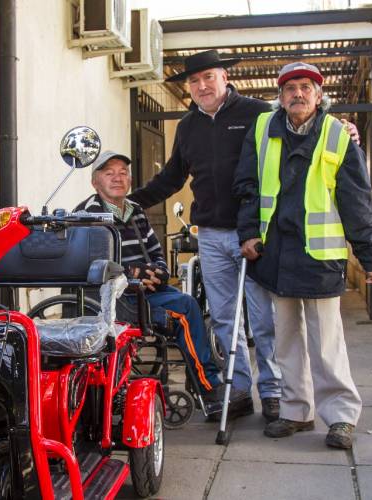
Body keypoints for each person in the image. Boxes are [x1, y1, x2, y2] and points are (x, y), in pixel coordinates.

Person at [234, 62, 372, 449]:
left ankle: (340, 417)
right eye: (289, 89)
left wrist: (370, 255)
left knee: (326, 343)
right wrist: (249, 232)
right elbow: (248, 185)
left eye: (305, 87)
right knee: (286, 340)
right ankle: (296, 411)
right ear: (280, 97)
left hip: (319, 255)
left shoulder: (337, 134)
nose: (297, 94)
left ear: (319, 95)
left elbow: (356, 199)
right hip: (276, 253)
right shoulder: (264, 128)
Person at [128, 50, 281, 422]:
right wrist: (130, 201)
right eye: (194, 81)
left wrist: (346, 131)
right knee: (226, 319)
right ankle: (239, 390)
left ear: (224, 78)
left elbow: (297, 133)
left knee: (263, 318)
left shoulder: (258, 113)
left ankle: (274, 391)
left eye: (208, 77)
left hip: (254, 233)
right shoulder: (188, 127)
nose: (201, 86)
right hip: (210, 234)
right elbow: (172, 178)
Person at [75, 150, 251, 414]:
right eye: (108, 173)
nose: (117, 178)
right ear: (95, 182)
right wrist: (132, 274)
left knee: (188, 303)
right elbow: (87, 262)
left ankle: (208, 384)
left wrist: (157, 271)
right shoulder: (87, 214)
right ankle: (210, 387)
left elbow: (157, 253)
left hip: (146, 294)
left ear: (130, 180)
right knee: (183, 312)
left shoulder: (135, 211)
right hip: (113, 300)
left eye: (123, 172)